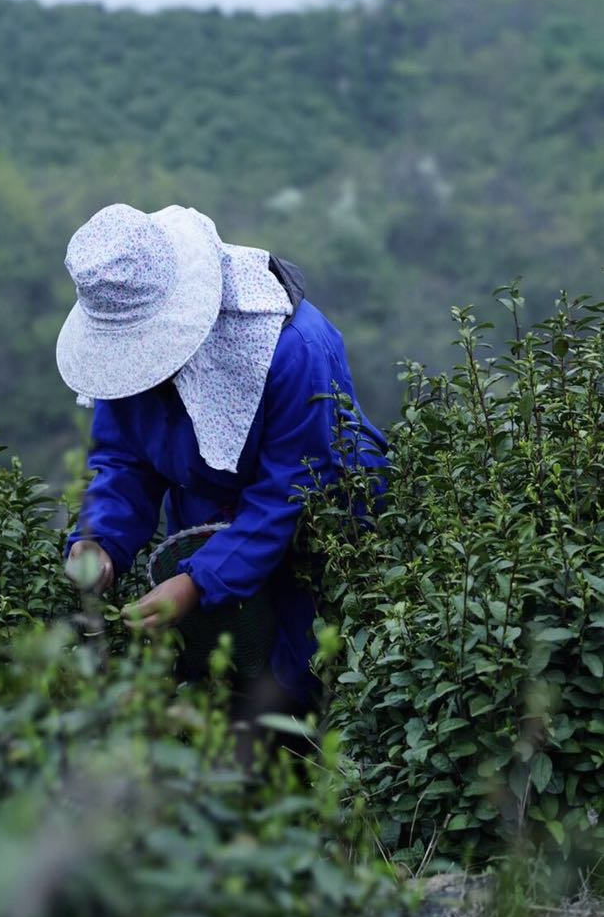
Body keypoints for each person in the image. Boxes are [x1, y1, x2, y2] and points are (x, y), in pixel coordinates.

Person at [57, 202, 387, 729]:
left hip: (322, 525)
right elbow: (124, 459)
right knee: (226, 682)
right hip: (211, 520)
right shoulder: (133, 365)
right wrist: (99, 540)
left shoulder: (293, 349)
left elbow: (290, 493)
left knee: (312, 682)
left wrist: (196, 583)